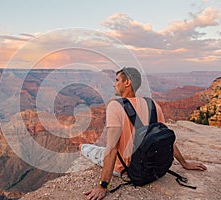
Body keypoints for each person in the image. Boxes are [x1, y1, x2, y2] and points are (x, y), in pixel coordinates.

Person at [83, 67, 207, 200]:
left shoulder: (115, 106)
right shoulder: (153, 104)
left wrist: (103, 186)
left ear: (127, 83)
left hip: (125, 169)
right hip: (151, 166)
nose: (114, 84)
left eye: (117, 80)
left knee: (86, 148)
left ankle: (83, 148)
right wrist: (184, 163)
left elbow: (112, 149)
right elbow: (165, 139)